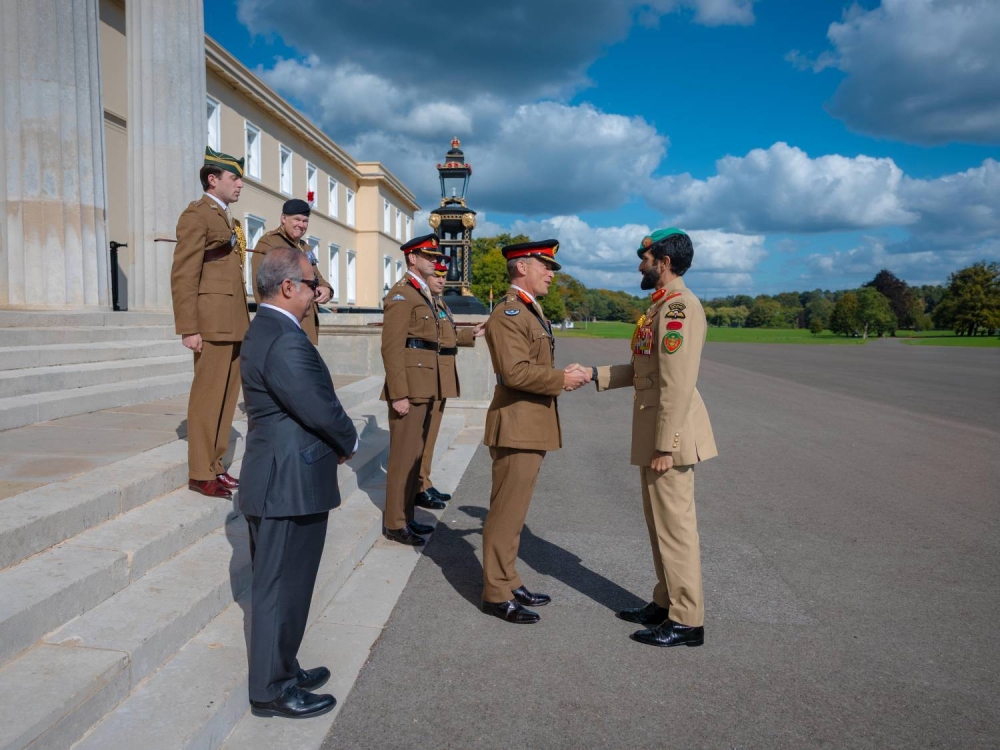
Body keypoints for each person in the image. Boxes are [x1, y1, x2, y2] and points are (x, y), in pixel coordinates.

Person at [239, 247, 358, 718]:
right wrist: (348, 440)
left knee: (287, 588)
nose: (316, 293)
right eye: (311, 285)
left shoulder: (268, 328)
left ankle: (283, 665)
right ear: (288, 287)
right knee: (281, 590)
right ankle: (272, 689)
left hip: (281, 477)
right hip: (286, 483)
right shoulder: (284, 338)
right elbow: (318, 407)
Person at [590, 228, 718, 648]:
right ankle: (665, 602)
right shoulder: (661, 306)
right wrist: (593, 375)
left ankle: (687, 620)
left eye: (644, 260)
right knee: (659, 525)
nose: (639, 267)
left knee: (675, 530)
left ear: (663, 262)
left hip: (669, 439)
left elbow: (678, 383)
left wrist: (666, 444)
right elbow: (644, 370)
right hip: (657, 435)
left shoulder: (680, 308)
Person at [480, 239, 590, 624]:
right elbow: (515, 372)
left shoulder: (528, 309)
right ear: (522, 267)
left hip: (527, 424)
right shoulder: (510, 312)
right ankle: (496, 592)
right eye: (545, 266)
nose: (551, 274)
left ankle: (509, 580)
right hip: (516, 425)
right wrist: (562, 379)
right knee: (505, 514)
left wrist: (559, 377)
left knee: (515, 514)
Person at [171, 147, 251, 498]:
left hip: (233, 321)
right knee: (208, 398)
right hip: (211, 322)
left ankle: (216, 465)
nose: (240, 184)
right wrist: (189, 327)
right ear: (213, 179)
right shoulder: (197, 215)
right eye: (234, 178)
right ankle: (200, 472)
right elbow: (184, 273)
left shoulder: (226, 218)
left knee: (226, 398)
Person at [380, 233, 448, 546]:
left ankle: (406, 516)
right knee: (403, 460)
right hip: (409, 388)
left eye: (435, 257)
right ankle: (395, 523)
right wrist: (399, 394)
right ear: (412, 258)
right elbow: (391, 348)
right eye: (429, 257)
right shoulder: (402, 294)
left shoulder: (421, 293)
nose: (435, 262)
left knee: (414, 458)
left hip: (424, 386)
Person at [415, 258, 484, 506]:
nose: (442, 280)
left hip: (442, 375)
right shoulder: (422, 301)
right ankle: (417, 486)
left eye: (444, 276)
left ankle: (424, 481)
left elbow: (447, 335)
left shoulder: (439, 302)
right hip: (428, 375)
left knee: (431, 434)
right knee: (422, 435)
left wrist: (471, 333)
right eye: (437, 276)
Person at [251, 198, 333, 345]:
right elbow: (261, 285)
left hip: (305, 324)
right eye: (297, 219)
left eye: (305, 221)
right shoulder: (270, 243)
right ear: (284, 218)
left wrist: (327, 289)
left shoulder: (304, 247)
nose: (301, 225)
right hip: (282, 325)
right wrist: (270, 321)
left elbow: (317, 277)